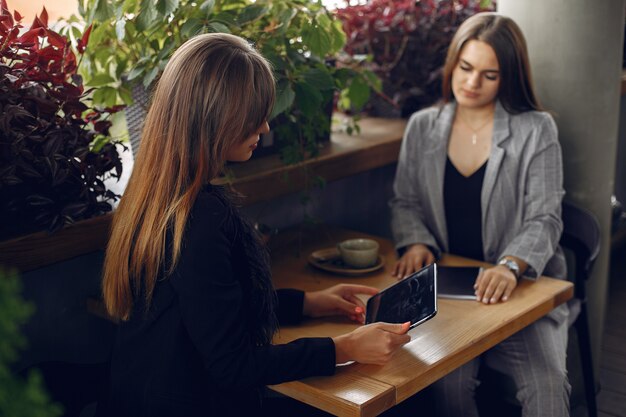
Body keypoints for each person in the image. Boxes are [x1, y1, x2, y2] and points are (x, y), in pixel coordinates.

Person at [101, 33, 411, 417]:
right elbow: (233, 366)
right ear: (212, 119)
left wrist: (308, 303)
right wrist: (344, 348)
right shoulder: (199, 219)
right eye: (253, 118)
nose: (265, 129)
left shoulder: (155, 194)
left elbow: (210, 313)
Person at [389, 12, 570, 417]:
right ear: (452, 63)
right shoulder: (422, 127)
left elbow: (545, 218)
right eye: (465, 68)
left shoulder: (536, 130)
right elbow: (405, 201)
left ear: (509, 77)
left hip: (520, 288)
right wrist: (416, 240)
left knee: (548, 384)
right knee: (446, 382)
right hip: (451, 289)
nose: (471, 83)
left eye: (489, 75)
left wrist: (509, 266)